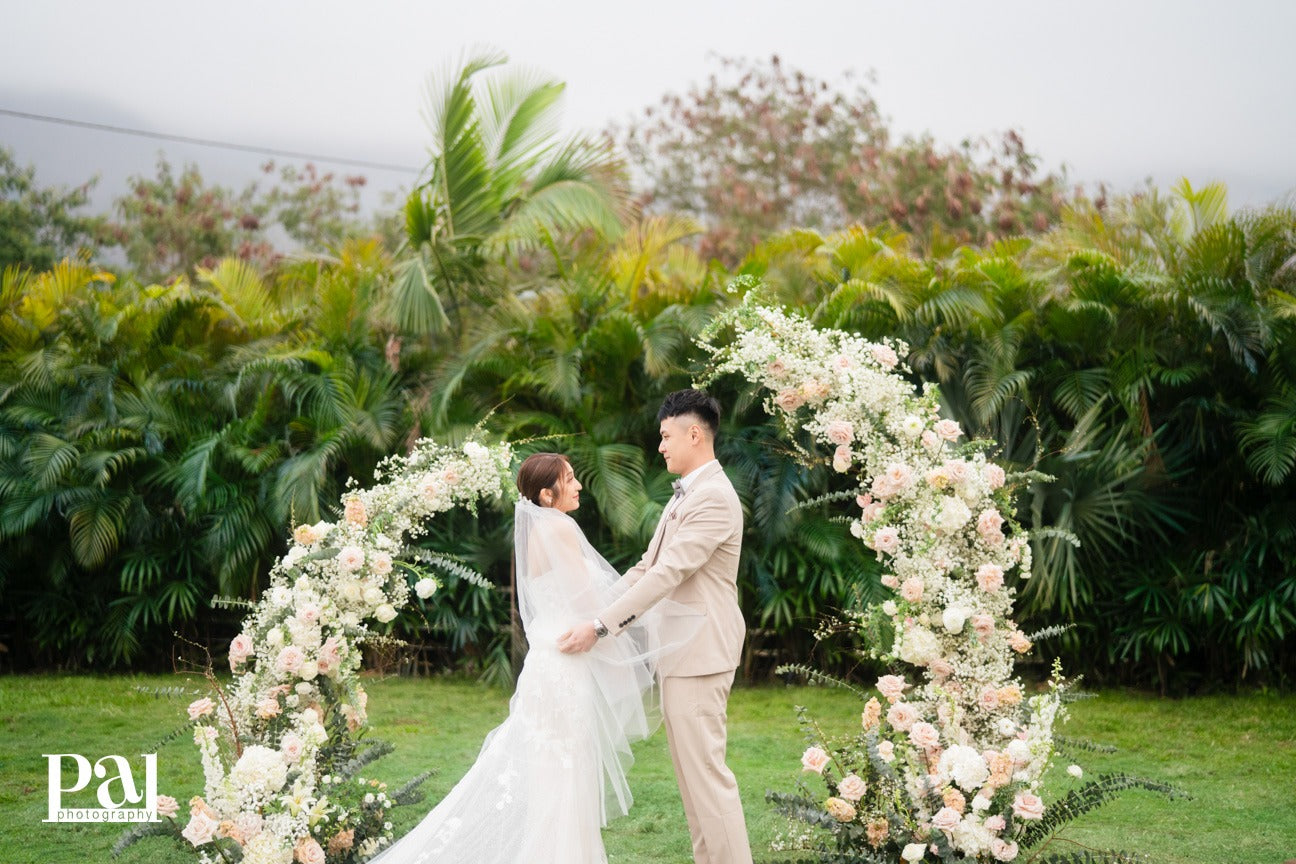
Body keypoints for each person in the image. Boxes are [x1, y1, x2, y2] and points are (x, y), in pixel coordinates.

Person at [370, 453, 699, 864]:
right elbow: (586, 601)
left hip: (548, 665)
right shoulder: (560, 528)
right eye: (570, 479)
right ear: (547, 495)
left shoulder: (537, 531)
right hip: (563, 668)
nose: (579, 486)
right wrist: (639, 612)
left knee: (551, 773)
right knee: (565, 774)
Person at [559, 389, 753, 864]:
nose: (660, 446)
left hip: (702, 653)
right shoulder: (685, 494)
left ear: (694, 433)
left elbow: (670, 574)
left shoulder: (713, 498)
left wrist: (602, 628)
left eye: (665, 436)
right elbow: (648, 566)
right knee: (693, 787)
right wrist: (592, 609)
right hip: (681, 653)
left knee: (708, 782)